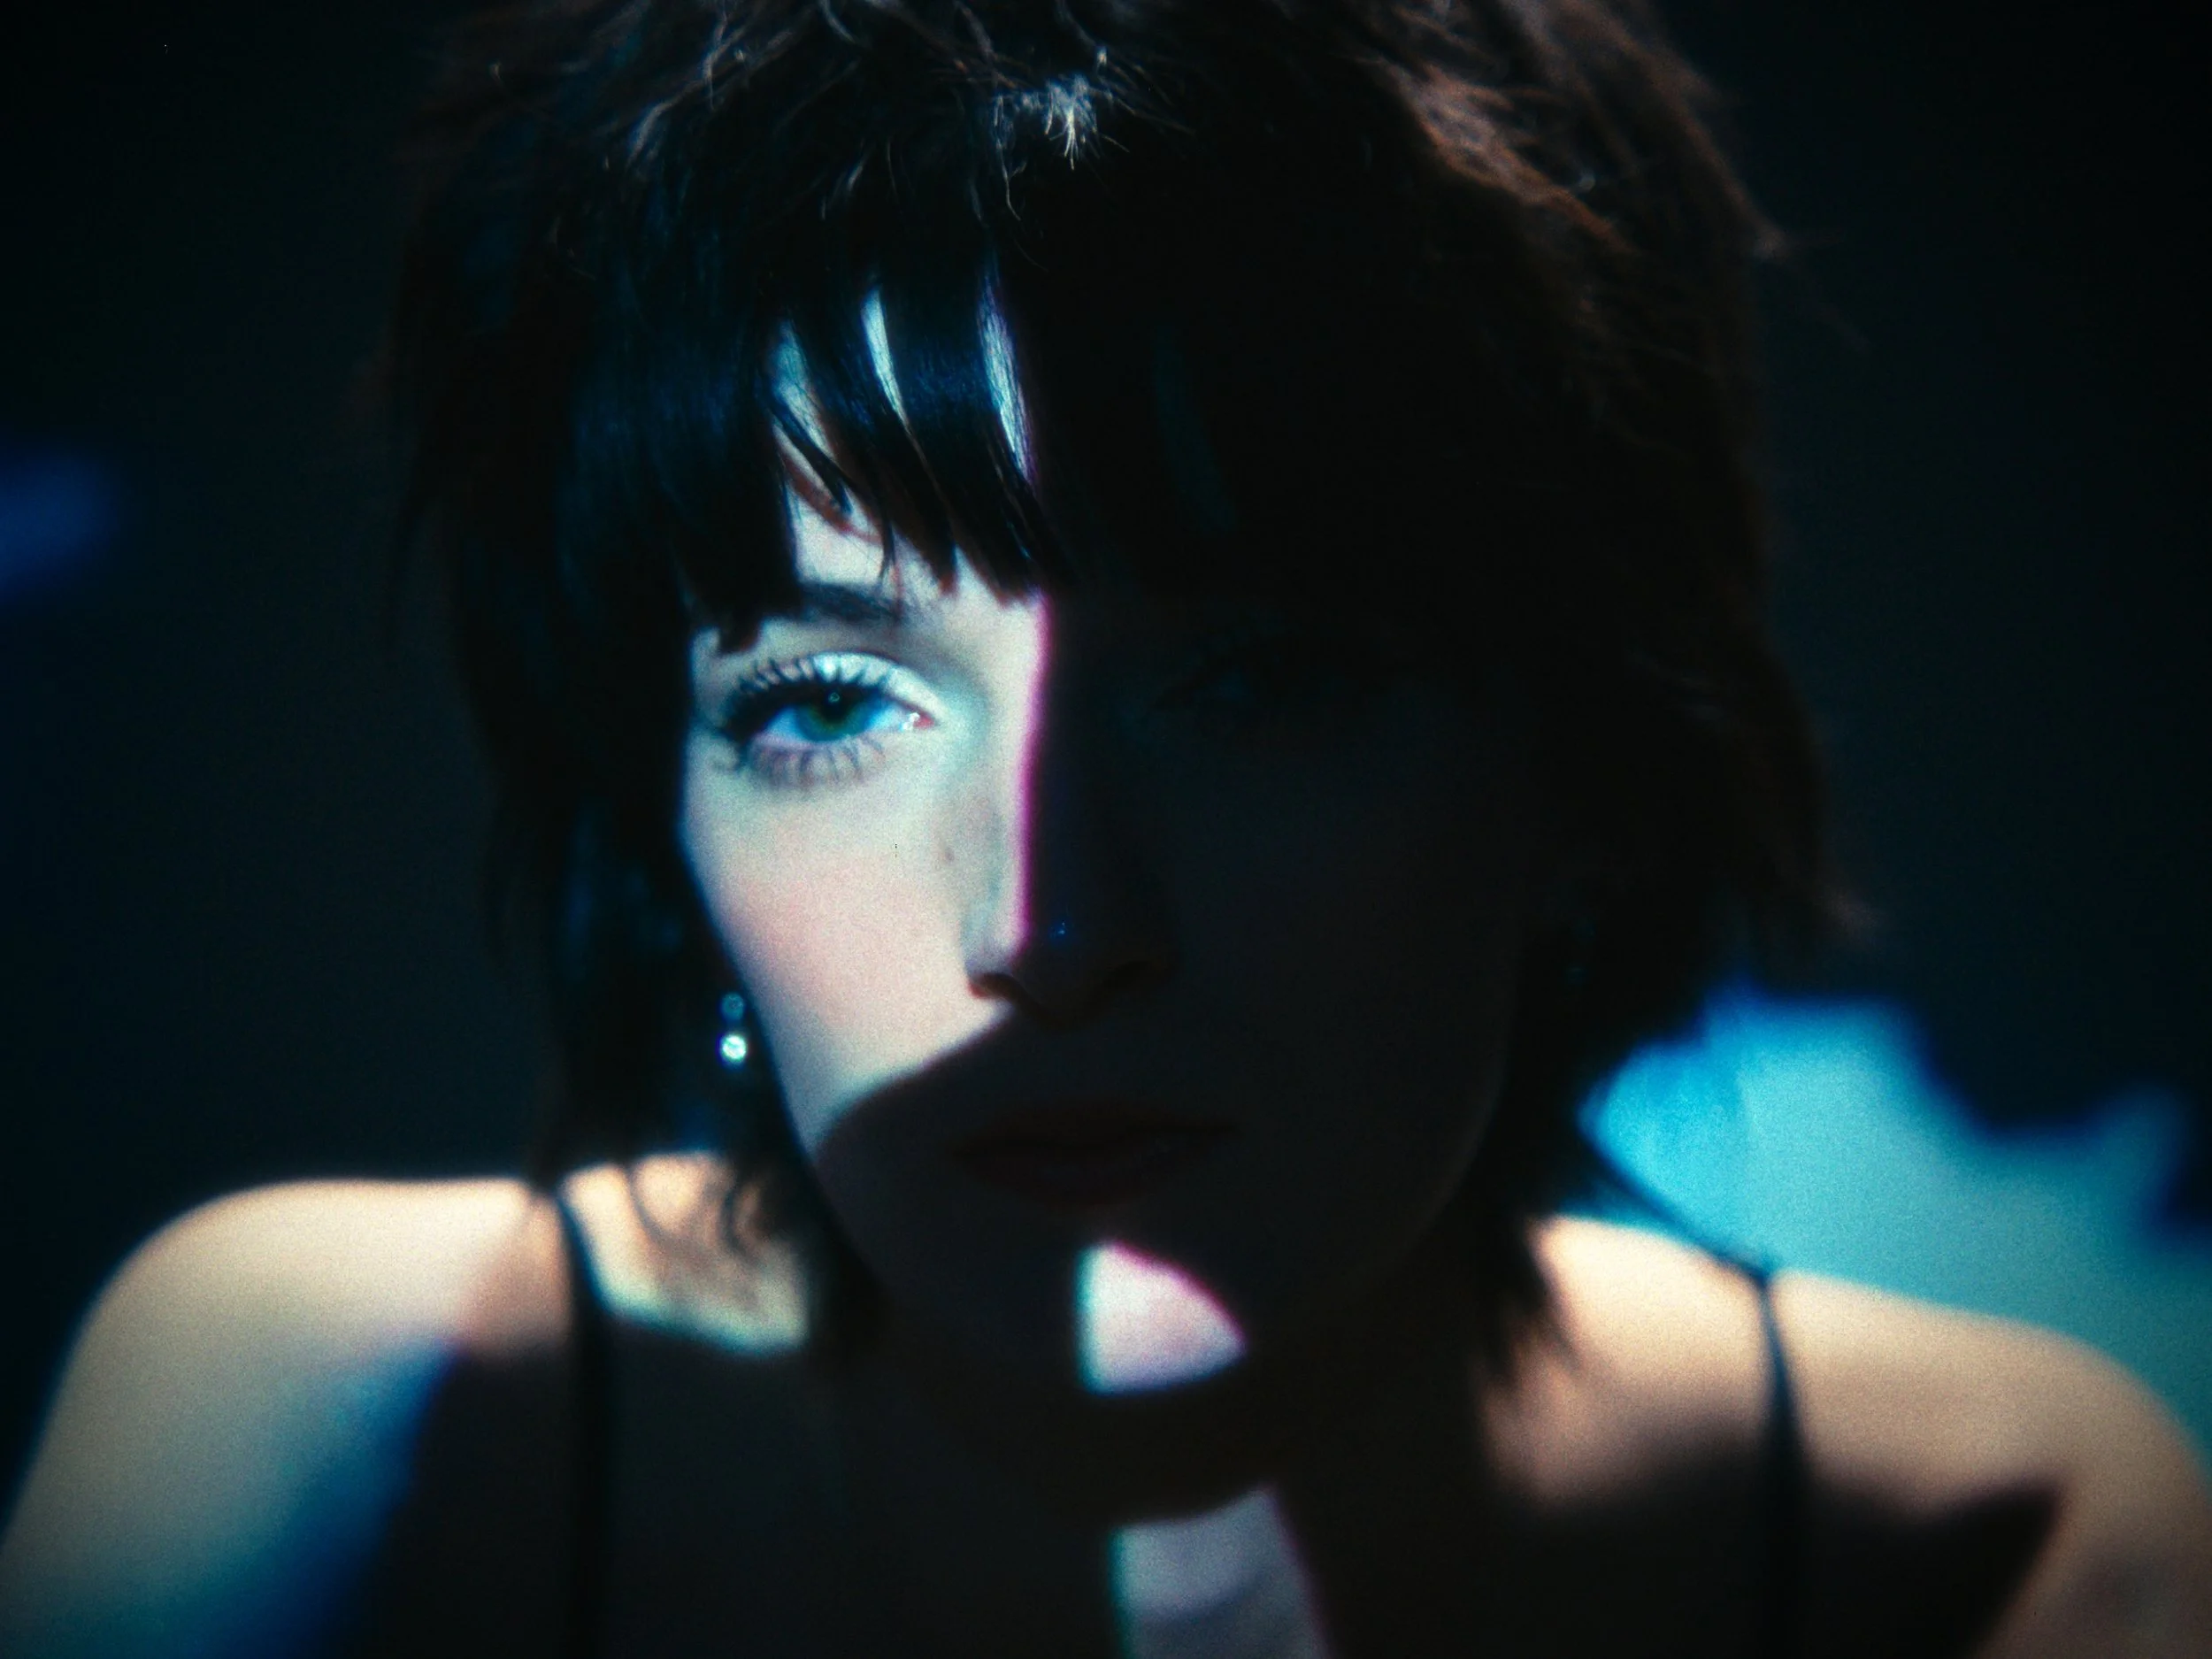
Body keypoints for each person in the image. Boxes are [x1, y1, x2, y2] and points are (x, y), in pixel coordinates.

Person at [2, 1, 2206, 1653]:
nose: (1045, 919)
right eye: (829, 701)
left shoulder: (2000, 1542)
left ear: (1579, 766)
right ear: (664, 847)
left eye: (1253, 681)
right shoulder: (347, 1444)